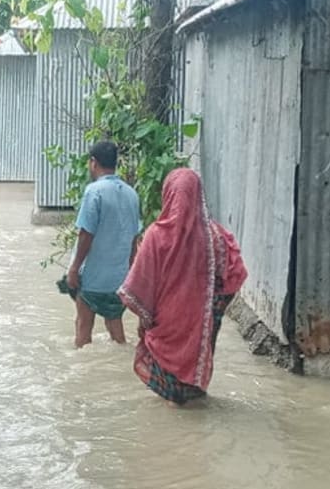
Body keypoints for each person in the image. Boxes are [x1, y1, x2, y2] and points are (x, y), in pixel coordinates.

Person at [118, 169, 248, 405]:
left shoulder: (156, 235)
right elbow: (236, 274)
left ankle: (177, 428)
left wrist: (145, 321)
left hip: (167, 324)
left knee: (171, 391)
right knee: (194, 378)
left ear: (168, 195)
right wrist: (211, 311)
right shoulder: (217, 236)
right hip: (200, 327)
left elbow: (139, 288)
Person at [66, 141, 140, 348]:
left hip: (93, 278)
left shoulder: (94, 192)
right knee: (115, 327)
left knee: (83, 327)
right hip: (119, 278)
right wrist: (131, 273)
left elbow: (86, 234)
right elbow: (134, 238)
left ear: (93, 162)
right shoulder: (131, 194)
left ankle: (80, 373)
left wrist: (73, 269)